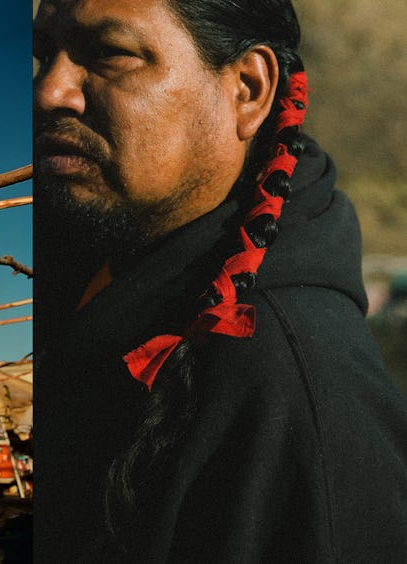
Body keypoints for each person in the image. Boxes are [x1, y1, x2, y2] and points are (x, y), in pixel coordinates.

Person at [33, 1, 407, 562]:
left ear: (248, 89)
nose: (49, 91)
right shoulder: (94, 266)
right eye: (43, 56)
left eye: (110, 54)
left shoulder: (290, 390)